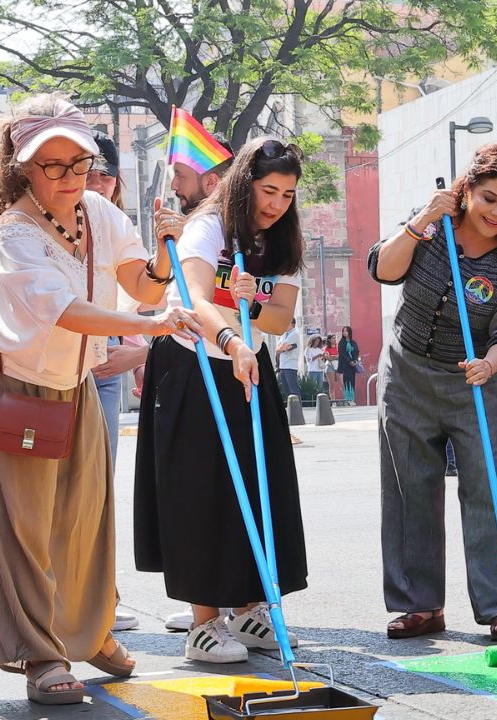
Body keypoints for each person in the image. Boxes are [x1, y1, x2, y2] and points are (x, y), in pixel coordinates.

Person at [0, 93, 200, 705]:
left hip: (78, 384)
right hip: (16, 385)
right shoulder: (14, 234)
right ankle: (41, 652)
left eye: (80, 163)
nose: (71, 178)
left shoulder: (97, 210)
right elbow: (66, 312)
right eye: (53, 166)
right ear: (21, 167)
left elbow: (137, 282)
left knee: (87, 517)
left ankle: (90, 631)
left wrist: (160, 257)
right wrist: (152, 324)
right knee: (27, 528)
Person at [134, 137, 310, 662]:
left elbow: (279, 317)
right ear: (244, 184)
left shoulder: (281, 241)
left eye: (287, 193)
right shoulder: (209, 227)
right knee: (199, 490)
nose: (277, 203)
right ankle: (203, 622)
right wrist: (233, 336)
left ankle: (252, 608)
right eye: (268, 189)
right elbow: (194, 299)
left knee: (260, 483)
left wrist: (246, 309)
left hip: (246, 367)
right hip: (193, 365)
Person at [369, 143, 497, 641]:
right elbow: (383, 269)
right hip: (407, 375)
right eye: (489, 199)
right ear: (465, 191)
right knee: (409, 489)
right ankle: (419, 605)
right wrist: (422, 221)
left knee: (486, 491)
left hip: (476, 383)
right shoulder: (431, 229)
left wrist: (490, 364)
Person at [157, 132, 236, 634]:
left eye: (180, 178)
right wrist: (171, 242)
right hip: (184, 355)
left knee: (235, 486)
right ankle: (203, 609)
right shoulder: (188, 228)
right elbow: (160, 284)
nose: (174, 188)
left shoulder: (224, 228)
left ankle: (239, 602)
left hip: (232, 358)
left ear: (209, 179)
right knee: (192, 487)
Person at [84, 130, 150, 633]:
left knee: (100, 492)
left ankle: (101, 598)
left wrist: (139, 352)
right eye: (87, 172)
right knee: (64, 492)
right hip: (60, 373)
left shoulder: (120, 226)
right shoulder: (38, 222)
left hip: (107, 378)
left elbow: (143, 300)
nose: (96, 182)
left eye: (105, 174)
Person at [276, 318, 301, 398]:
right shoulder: (284, 335)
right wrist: (282, 348)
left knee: (293, 389)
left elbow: (282, 347)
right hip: (283, 365)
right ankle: (290, 407)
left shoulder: (294, 334)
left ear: (293, 324)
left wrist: (282, 348)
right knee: (286, 390)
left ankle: (297, 408)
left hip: (290, 365)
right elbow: (277, 348)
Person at [338, 325, 360, 404]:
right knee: (346, 381)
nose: (344, 333)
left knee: (352, 381)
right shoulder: (341, 343)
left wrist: (355, 361)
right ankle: (347, 399)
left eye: (346, 331)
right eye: (343, 331)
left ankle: (352, 399)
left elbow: (357, 352)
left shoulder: (353, 342)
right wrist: (349, 361)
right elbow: (343, 354)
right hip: (345, 365)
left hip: (353, 366)